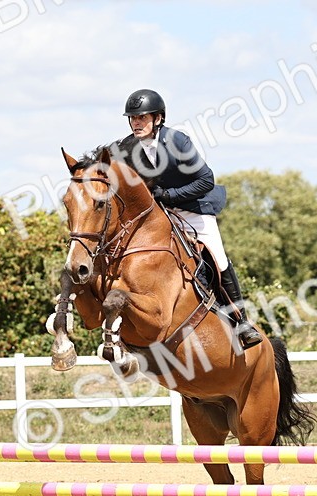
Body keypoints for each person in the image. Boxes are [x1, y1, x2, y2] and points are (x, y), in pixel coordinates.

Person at [113, 89, 263, 350]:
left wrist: (168, 195)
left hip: (193, 207)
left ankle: (241, 321)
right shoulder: (126, 147)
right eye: (133, 118)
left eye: (142, 117)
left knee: (217, 257)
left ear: (158, 118)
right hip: (159, 214)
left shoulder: (177, 141)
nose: (136, 123)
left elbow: (206, 180)